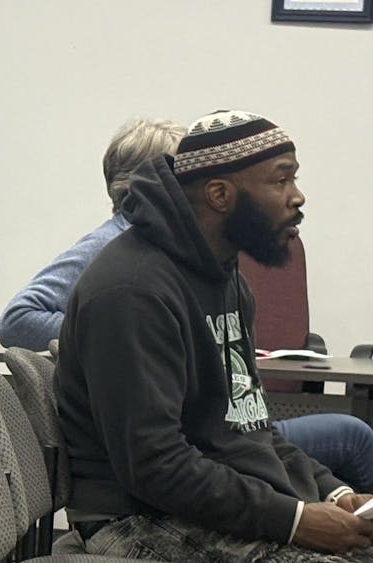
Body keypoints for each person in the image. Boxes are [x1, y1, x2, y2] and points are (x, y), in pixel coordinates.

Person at [56, 110, 373, 560]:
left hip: (206, 498)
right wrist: (295, 520)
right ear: (220, 194)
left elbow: (251, 428)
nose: (297, 197)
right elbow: (154, 465)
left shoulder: (229, 282)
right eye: (281, 180)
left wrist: (335, 495)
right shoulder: (133, 290)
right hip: (134, 518)